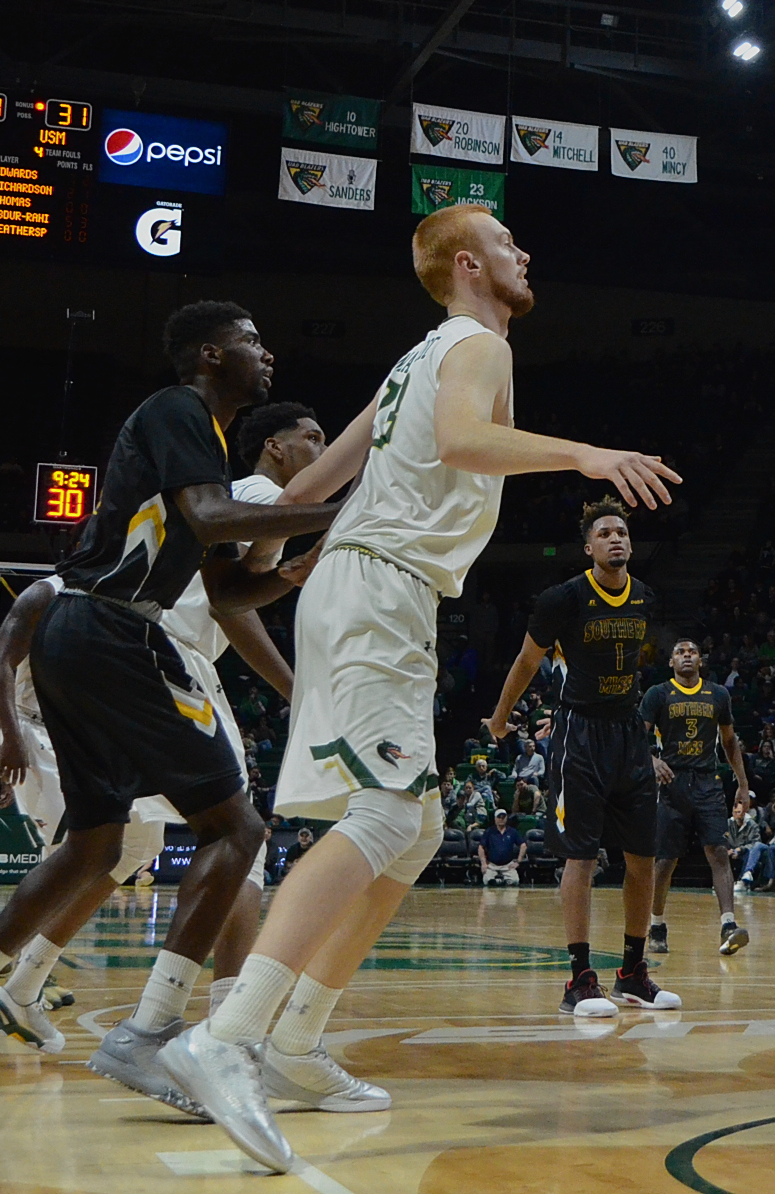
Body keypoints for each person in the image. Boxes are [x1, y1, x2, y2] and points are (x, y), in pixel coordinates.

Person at [167, 207, 680, 1174]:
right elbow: (459, 444)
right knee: (385, 810)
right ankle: (227, 1038)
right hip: (377, 587)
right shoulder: (477, 345)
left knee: (421, 824)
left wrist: (251, 557)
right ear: (467, 262)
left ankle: (295, 1042)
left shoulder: (416, 356)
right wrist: (584, 454)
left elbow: (316, 475)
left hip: (361, 587)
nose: (528, 253)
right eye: (511, 243)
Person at [0, 301, 345, 1102]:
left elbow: (223, 584)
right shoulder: (177, 411)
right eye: (251, 342)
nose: (267, 353)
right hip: (109, 631)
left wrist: (288, 574)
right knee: (237, 828)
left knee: (95, 849)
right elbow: (208, 518)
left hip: (89, 636)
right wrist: (341, 513)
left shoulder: (206, 440)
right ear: (208, 354)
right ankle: (151, 1033)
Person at [0, 403, 324, 1061]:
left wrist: (281, 583)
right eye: (312, 438)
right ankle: (232, 1030)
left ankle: (17, 988)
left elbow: (231, 599)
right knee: (238, 837)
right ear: (274, 447)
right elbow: (225, 609)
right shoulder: (257, 494)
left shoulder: (241, 503)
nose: (321, 449)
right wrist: (298, 689)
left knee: (127, 845)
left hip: (120, 652)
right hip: (161, 654)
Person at [485, 496, 678, 1016]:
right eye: (606, 533)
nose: (616, 538)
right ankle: (579, 980)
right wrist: (501, 717)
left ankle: (633, 975)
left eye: (623, 532)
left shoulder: (645, 598)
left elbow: (636, 669)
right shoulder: (562, 599)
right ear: (589, 546)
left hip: (628, 733)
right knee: (583, 857)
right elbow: (527, 662)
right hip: (580, 735)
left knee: (642, 858)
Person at [642, 638, 755, 958]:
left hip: (707, 783)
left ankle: (729, 925)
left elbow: (730, 742)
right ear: (671, 662)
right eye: (680, 652)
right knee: (665, 860)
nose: (686, 656)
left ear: (701, 660)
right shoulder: (658, 694)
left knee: (718, 851)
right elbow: (637, 735)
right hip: (672, 782)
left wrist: (742, 784)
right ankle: (658, 924)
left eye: (692, 652)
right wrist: (651, 760)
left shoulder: (718, 694)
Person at [477, 810, 526, 885]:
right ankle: (497, 882)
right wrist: (483, 863)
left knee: (515, 881)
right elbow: (481, 847)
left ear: (506, 818)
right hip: (492, 865)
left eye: (503, 817)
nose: (501, 819)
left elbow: (523, 845)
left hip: (508, 865)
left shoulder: (512, 831)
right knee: (487, 881)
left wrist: (518, 861)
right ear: (495, 819)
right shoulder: (489, 831)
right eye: (499, 817)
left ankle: (505, 882)